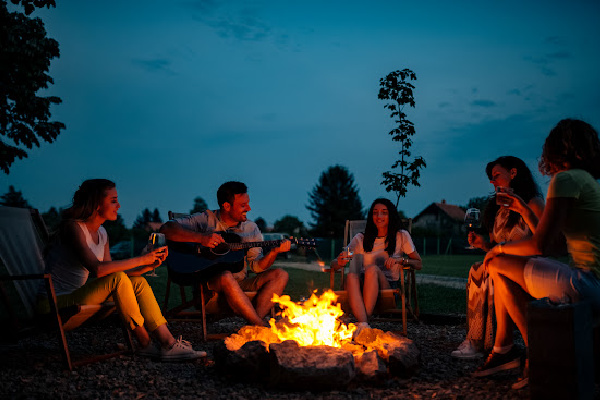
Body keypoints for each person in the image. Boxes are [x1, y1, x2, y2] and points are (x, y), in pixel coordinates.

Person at [475, 119, 600, 389]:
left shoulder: (565, 179)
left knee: (496, 263)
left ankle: (532, 353)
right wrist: (523, 211)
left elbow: (542, 247)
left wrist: (496, 248)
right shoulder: (588, 181)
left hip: (586, 284)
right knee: (499, 265)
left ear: (556, 149)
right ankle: (505, 347)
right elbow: (555, 245)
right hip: (591, 282)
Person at [42, 179, 203, 361]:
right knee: (119, 278)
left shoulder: (102, 233)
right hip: (54, 302)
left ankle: (168, 342)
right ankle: (145, 343)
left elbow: (111, 274)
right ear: (96, 203)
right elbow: (97, 269)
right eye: (113, 200)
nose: (118, 205)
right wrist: (141, 258)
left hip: (76, 294)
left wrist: (146, 266)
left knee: (139, 282)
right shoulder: (73, 227)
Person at [160, 181, 290, 327]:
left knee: (281, 274)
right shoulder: (206, 220)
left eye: (248, 203)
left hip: (241, 284)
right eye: (243, 205)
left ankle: (253, 326)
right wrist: (202, 238)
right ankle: (260, 326)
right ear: (226, 206)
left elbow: (257, 268)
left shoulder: (251, 228)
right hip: (211, 289)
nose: (249, 208)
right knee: (226, 276)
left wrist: (274, 252)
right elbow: (167, 228)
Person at [451, 156, 545, 359]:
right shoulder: (498, 211)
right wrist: (484, 245)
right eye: (491, 179)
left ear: (513, 173)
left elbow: (543, 243)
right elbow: (496, 248)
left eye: (496, 176)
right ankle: (480, 339)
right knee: (479, 267)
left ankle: (483, 342)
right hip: (502, 264)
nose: (492, 182)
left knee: (486, 269)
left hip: (528, 267)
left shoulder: (533, 203)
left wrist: (522, 211)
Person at [330, 198, 422, 329]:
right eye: (375, 212)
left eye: (384, 212)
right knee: (351, 276)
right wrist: (339, 262)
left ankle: (363, 322)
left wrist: (401, 260)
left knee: (371, 269)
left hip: (387, 289)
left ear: (391, 215)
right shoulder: (361, 239)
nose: (379, 216)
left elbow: (418, 263)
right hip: (359, 290)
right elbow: (334, 264)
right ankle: (364, 325)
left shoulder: (401, 236)